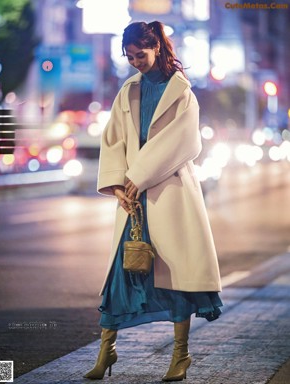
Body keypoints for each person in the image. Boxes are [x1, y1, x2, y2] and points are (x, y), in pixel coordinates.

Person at [83, 21, 223, 382]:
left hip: (170, 193)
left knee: (175, 277)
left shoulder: (182, 92)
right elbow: (112, 140)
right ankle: (106, 351)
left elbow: (185, 142)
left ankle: (180, 357)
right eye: (129, 57)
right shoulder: (126, 91)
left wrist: (138, 176)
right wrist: (117, 185)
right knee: (120, 275)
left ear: (157, 47)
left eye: (140, 54)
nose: (135, 62)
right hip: (132, 197)